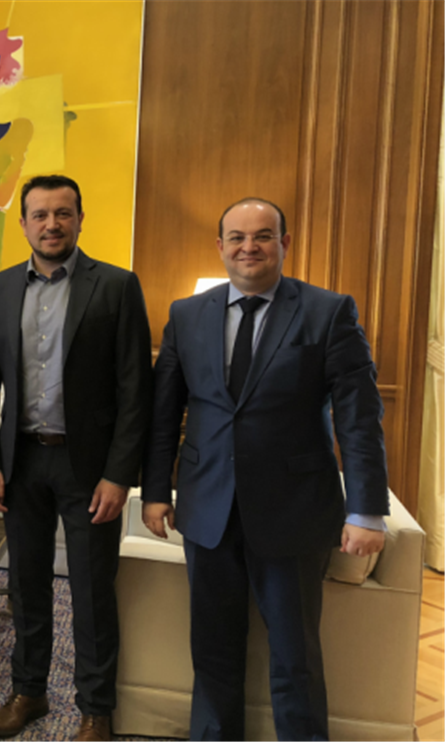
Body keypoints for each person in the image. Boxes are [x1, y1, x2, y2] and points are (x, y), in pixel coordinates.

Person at [143, 198, 389, 741]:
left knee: (294, 656)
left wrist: (366, 510)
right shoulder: (187, 314)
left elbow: (359, 418)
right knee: (211, 649)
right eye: (236, 237)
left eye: (262, 236)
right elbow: (164, 414)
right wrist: (156, 491)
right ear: (220, 246)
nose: (248, 247)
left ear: (284, 243)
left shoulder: (328, 311)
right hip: (207, 509)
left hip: (294, 512)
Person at [0, 175, 153, 742]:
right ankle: (28, 692)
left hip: (89, 469)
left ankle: (96, 710)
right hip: (21, 463)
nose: (52, 224)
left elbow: (135, 390)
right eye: (40, 215)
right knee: (26, 585)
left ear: (79, 218)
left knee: (92, 592)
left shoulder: (116, 286)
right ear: (24, 223)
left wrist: (119, 475)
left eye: (63, 213)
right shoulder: (1, 287)